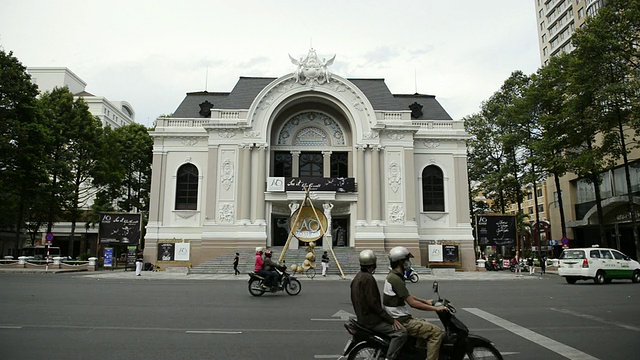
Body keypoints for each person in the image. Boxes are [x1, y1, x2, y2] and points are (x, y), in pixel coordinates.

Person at [383, 247, 446, 360]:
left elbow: (407, 296)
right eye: (406, 260)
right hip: (402, 321)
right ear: (400, 262)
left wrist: (425, 301)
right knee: (436, 333)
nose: (409, 263)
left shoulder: (394, 276)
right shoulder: (396, 279)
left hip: (399, 317)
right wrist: (436, 309)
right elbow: (412, 303)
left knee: (425, 328)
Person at [351, 249, 407, 360]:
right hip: (371, 321)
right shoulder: (368, 279)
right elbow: (374, 304)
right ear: (373, 264)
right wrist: (391, 319)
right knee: (401, 332)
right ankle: (389, 358)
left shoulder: (357, 278)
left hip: (362, 318)